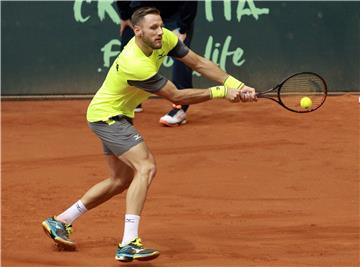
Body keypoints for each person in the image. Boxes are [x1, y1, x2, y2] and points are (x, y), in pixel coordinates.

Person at [42, 7, 256, 263]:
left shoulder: (164, 37)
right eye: (153, 28)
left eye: (161, 26)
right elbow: (175, 96)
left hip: (116, 114)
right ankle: (129, 243)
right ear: (137, 31)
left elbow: (198, 63)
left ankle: (60, 221)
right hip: (107, 117)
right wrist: (220, 93)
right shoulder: (135, 62)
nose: (159, 32)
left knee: (120, 180)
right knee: (146, 167)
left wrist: (235, 84)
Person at [116, 1, 198, 126]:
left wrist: (183, 27)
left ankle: (179, 108)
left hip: (175, 12)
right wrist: (124, 15)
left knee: (182, 56)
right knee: (127, 49)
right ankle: (130, 99)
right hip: (141, 9)